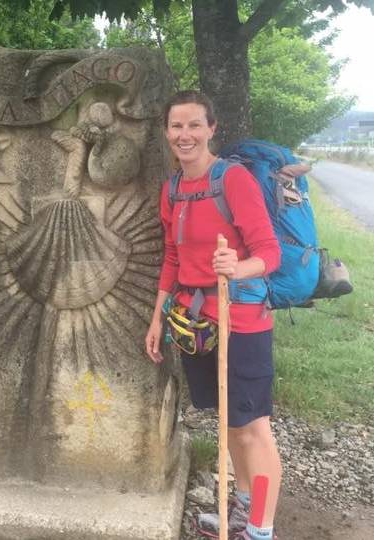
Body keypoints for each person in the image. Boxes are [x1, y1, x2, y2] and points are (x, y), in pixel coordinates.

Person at [145, 90, 282, 540]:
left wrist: (236, 267)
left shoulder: (234, 180)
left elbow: (268, 252)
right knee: (229, 421)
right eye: (177, 126)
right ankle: (242, 511)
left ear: (211, 129)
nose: (185, 135)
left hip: (241, 320)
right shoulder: (174, 188)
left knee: (251, 429)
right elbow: (171, 256)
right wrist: (157, 316)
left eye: (194, 125)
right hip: (196, 320)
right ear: (167, 132)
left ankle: (260, 530)